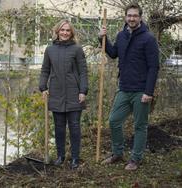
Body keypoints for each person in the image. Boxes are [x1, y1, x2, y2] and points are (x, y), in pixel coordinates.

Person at [99, 3, 159, 170]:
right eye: (129, 15)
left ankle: (136, 159)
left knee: (140, 125)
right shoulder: (121, 35)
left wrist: (149, 91)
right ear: (125, 17)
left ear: (140, 17)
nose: (131, 18)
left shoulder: (148, 38)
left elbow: (154, 67)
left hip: (141, 90)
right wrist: (102, 39)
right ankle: (118, 153)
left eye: (135, 15)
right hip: (124, 88)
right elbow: (112, 53)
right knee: (114, 121)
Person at [39, 19, 88, 169]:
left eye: (67, 30)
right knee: (59, 127)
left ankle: (75, 158)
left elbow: (83, 72)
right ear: (57, 32)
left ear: (71, 33)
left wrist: (83, 90)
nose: (65, 33)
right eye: (62, 30)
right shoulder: (50, 50)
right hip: (56, 92)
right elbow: (45, 70)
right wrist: (43, 87)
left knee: (74, 127)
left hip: (74, 93)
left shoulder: (77, 49)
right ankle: (60, 156)